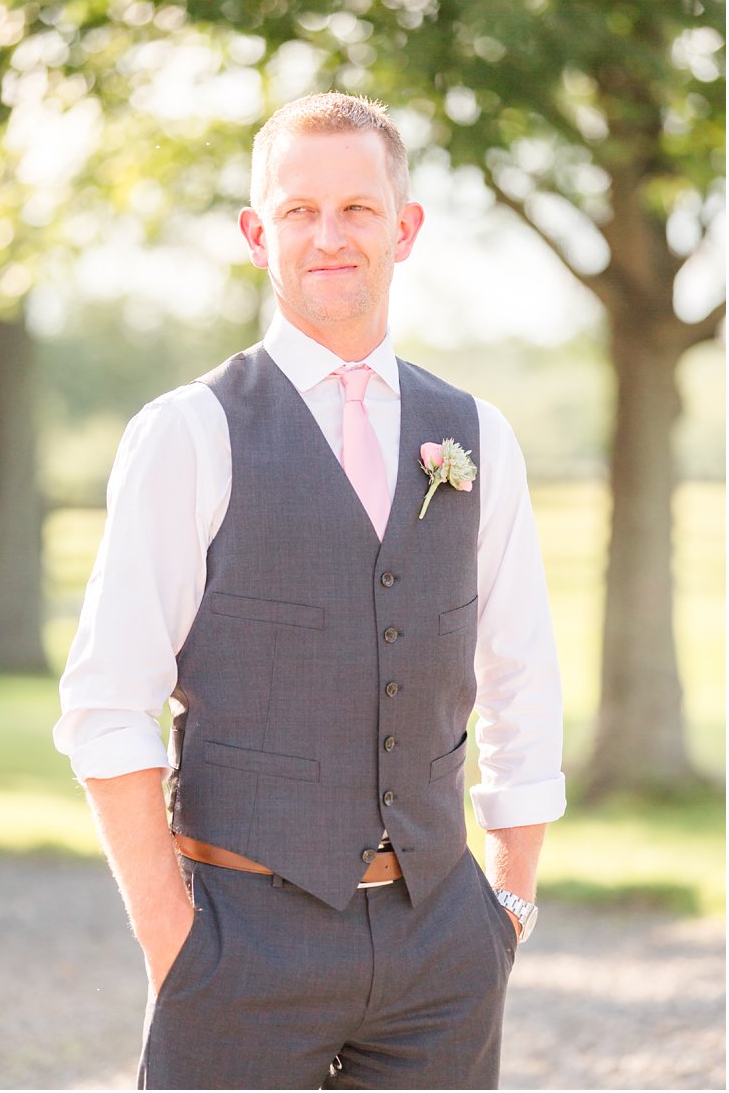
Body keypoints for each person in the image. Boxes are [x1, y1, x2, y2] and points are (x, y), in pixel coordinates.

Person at [56, 93, 565, 1089]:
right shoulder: (188, 431)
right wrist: (175, 942)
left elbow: (519, 673)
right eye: (296, 211)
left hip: (440, 949)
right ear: (256, 233)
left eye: (356, 209)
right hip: (237, 945)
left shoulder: (476, 435)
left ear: (403, 228)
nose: (326, 235)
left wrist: (503, 906)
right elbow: (105, 704)